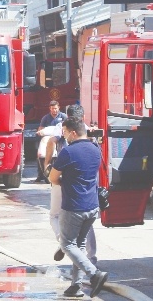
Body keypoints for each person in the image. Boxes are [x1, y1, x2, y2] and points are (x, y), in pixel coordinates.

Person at [48, 118, 108, 298]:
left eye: (65, 132)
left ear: (73, 132)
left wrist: (63, 180)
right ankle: (76, 286)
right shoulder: (96, 149)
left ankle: (94, 274)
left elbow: (52, 177)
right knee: (79, 245)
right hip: (92, 206)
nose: (64, 136)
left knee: (66, 244)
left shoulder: (68, 152)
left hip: (73, 206)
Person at [43, 104, 97, 265]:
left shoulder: (62, 127)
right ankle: (91, 257)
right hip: (86, 180)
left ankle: (64, 243)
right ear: (83, 117)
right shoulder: (87, 130)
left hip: (63, 176)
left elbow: (51, 141)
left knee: (55, 215)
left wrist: (47, 164)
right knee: (87, 220)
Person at [36, 100, 67, 181]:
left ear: (59, 108)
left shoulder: (63, 116)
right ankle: (41, 174)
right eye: (53, 108)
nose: (54, 110)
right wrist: (40, 132)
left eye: (56, 108)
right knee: (41, 154)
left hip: (61, 138)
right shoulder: (45, 118)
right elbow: (41, 129)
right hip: (48, 138)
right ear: (50, 108)